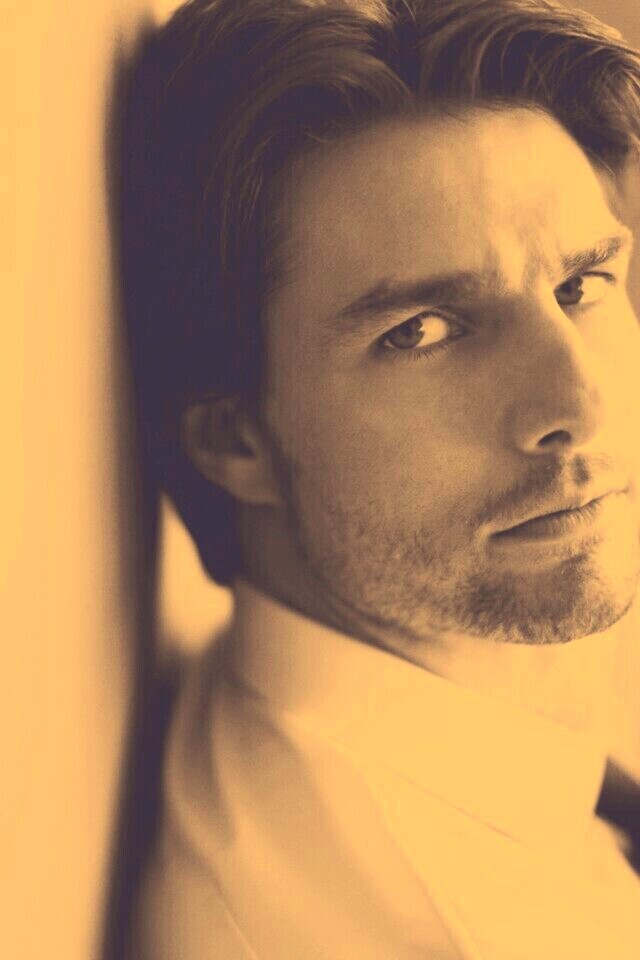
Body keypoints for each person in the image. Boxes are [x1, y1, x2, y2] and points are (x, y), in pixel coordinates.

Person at [122, 1, 640, 956]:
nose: (580, 401)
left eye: (580, 287)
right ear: (238, 439)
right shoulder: (389, 925)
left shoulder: (489, 666)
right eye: (423, 332)